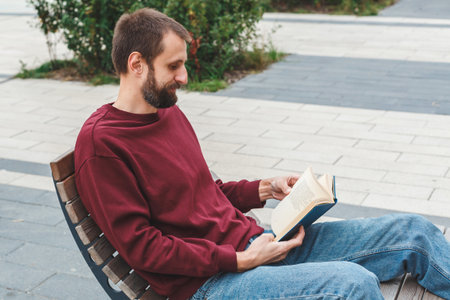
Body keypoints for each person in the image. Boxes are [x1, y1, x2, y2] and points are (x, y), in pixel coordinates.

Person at [74, 8, 450, 300]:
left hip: (259, 244)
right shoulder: (103, 146)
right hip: (211, 283)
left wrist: (265, 189)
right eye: (174, 66)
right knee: (354, 285)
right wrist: (241, 260)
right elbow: (144, 248)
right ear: (137, 64)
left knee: (414, 231)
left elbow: (203, 193)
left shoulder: (167, 112)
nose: (185, 76)